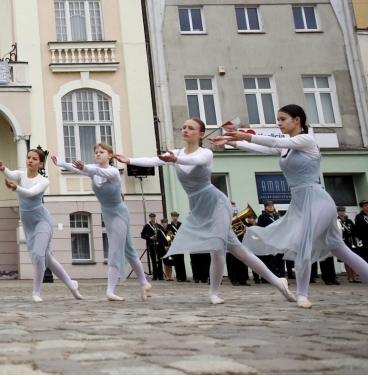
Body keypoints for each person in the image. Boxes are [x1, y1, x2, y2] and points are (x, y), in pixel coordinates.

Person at [115, 119, 293, 305]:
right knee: (240, 252)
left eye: (191, 128)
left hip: (216, 203)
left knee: (216, 248)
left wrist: (176, 160)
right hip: (198, 207)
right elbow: (154, 160)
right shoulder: (176, 153)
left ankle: (213, 293)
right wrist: (130, 160)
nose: (185, 130)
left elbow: (194, 160)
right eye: (184, 127)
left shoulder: (205, 153)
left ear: (200, 134)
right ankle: (279, 282)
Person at [213, 104, 368, 308]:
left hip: (317, 199)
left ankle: (302, 294)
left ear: (297, 120)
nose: (279, 123)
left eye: (283, 119)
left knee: (302, 242)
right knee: (339, 248)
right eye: (278, 119)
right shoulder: (286, 146)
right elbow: (265, 147)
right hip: (301, 202)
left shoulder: (307, 139)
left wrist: (245, 135)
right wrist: (232, 142)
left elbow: (270, 141)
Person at [55, 144, 151, 301]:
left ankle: (110, 291)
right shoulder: (93, 170)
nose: (98, 154)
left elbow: (94, 170)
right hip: (107, 213)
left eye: (102, 152)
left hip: (120, 213)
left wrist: (85, 167)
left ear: (110, 155)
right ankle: (144, 283)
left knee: (114, 250)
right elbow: (78, 169)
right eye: (96, 152)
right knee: (129, 250)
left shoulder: (113, 172)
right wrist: (61, 163)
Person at [0, 150, 83, 302]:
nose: (30, 160)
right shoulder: (21, 175)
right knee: (47, 258)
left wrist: (15, 188)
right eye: (28, 157)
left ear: (40, 163)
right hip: (28, 222)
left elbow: (30, 193)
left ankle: (36, 292)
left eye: (34, 159)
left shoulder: (43, 181)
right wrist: (2, 168)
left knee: (38, 254)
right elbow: (10, 174)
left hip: (41, 220)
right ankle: (71, 284)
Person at [257, 201, 284, 278]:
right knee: (272, 260)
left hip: (278, 241)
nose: (271, 207)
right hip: (269, 241)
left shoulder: (276, 217)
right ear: (265, 207)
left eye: (272, 205)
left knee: (280, 259)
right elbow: (261, 228)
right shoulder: (262, 217)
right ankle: (275, 277)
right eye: (269, 206)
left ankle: (282, 277)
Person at [339, 206, 362, 283]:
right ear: (338, 212)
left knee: (354, 259)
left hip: (351, 241)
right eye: (340, 211)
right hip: (344, 241)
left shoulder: (349, 221)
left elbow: (354, 230)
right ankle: (350, 277)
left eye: (343, 211)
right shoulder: (337, 221)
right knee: (347, 260)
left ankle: (354, 277)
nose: (342, 212)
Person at [141, 213, 164, 281]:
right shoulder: (147, 226)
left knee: (160, 260)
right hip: (151, 244)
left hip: (158, 245)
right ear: (149, 218)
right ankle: (155, 275)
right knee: (153, 260)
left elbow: (162, 235)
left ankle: (161, 276)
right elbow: (143, 235)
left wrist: (158, 237)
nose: (152, 218)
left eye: (153, 217)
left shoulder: (159, 226)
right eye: (151, 217)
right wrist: (150, 237)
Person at [167, 212, 187, 282]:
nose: (175, 217)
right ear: (172, 217)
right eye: (173, 216)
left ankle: (184, 277)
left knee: (181, 261)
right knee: (176, 261)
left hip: (180, 244)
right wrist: (172, 238)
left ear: (177, 217)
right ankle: (178, 277)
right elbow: (168, 236)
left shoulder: (181, 225)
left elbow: (184, 234)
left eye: (176, 216)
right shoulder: (169, 226)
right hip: (174, 244)